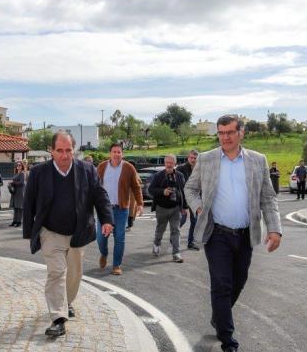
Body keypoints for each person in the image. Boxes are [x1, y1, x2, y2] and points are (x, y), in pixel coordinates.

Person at [184, 114, 281, 352]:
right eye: (221, 133)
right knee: (222, 285)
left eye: (229, 132)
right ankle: (229, 344)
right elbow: (190, 189)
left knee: (238, 282)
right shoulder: (206, 160)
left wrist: (274, 229)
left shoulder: (257, 161)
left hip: (245, 235)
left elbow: (268, 198)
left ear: (241, 133)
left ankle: (219, 316)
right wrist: (197, 207)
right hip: (217, 234)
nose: (225, 137)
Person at [23, 131, 113, 337]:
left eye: (68, 151)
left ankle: (68, 302)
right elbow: (29, 202)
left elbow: (100, 195)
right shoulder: (39, 173)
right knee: (56, 272)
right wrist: (30, 231)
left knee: (74, 273)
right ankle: (58, 318)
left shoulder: (87, 170)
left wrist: (107, 219)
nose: (64, 155)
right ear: (51, 151)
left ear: (74, 151)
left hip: (77, 231)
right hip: (50, 232)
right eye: (60, 151)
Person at [96, 142, 143, 275]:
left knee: (120, 237)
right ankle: (104, 253)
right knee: (101, 237)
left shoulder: (128, 168)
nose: (116, 154)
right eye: (114, 152)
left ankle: (116, 265)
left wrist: (139, 203)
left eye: (119, 152)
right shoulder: (102, 166)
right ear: (110, 153)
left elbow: (136, 186)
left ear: (122, 153)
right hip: (104, 210)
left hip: (121, 209)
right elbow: (94, 186)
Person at [149, 155, 187, 263]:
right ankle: (156, 244)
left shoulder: (180, 175)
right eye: (167, 162)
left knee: (176, 230)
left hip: (175, 208)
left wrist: (185, 207)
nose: (169, 164)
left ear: (175, 164)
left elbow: (183, 192)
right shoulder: (158, 176)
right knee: (160, 230)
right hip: (161, 208)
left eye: (171, 162)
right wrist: (162, 191)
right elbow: (151, 190)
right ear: (164, 163)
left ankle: (176, 253)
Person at [176, 149, 200, 250]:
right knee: (183, 219)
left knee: (194, 221)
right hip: (183, 197)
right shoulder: (181, 168)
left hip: (194, 198)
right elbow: (178, 185)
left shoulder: (199, 168)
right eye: (191, 158)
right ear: (188, 158)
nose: (193, 159)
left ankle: (190, 243)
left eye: (195, 158)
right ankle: (174, 235)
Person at [8, 161, 27, 227]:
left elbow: (22, 183)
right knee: (15, 207)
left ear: (22, 167)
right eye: (17, 165)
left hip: (20, 192)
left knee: (19, 207)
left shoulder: (22, 173)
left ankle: (19, 222)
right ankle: (14, 221)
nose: (18, 166)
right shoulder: (15, 173)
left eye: (20, 165)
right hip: (15, 192)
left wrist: (13, 183)